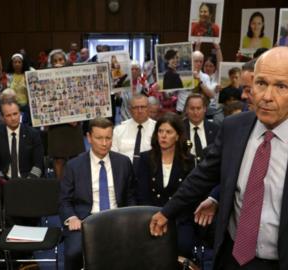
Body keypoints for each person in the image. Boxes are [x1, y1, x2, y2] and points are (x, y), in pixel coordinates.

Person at [150, 47, 288, 269]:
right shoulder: (233, 128)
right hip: (232, 259)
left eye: (281, 86)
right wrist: (167, 212)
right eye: (261, 83)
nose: (266, 96)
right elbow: (203, 176)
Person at [59, 117, 135, 270]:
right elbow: (64, 200)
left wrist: (131, 219)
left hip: (118, 220)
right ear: (89, 138)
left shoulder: (123, 162)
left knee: (134, 251)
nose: (104, 143)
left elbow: (130, 196)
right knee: (73, 253)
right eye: (99, 138)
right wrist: (72, 217)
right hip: (84, 222)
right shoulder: (74, 165)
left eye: (108, 138)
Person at [135, 112, 196, 256]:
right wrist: (156, 217)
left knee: (184, 246)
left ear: (178, 136)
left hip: (179, 219)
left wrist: (168, 216)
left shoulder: (189, 161)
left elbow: (189, 197)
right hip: (151, 217)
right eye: (160, 131)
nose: (163, 136)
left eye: (168, 132)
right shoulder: (145, 159)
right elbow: (142, 195)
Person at [46, 49, 85, 179]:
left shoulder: (74, 77)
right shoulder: (45, 80)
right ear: (51, 64)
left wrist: (76, 117)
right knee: (58, 160)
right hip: (56, 126)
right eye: (55, 61)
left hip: (73, 125)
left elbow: (82, 98)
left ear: (65, 61)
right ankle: (60, 187)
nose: (58, 63)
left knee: (76, 159)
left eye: (61, 60)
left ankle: (77, 187)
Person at [0, 100, 44, 179]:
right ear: (2, 117)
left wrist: (30, 181)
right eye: (8, 115)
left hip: (28, 180)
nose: (13, 118)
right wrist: (2, 182)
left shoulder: (33, 134)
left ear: (20, 113)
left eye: (15, 114)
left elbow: (38, 164)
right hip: (4, 182)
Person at [112, 94, 156, 164]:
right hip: (125, 171)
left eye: (143, 107)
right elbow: (113, 156)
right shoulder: (118, 130)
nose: (140, 111)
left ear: (149, 108)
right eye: (135, 107)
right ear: (130, 110)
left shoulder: (157, 129)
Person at [184, 94, 219, 162]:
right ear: (186, 110)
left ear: (205, 109)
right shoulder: (180, 129)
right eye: (192, 108)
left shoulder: (215, 129)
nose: (195, 112)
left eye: (198, 108)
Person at [4, 53, 32, 124]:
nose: (17, 64)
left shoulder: (28, 73)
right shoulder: (8, 76)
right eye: (15, 62)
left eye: (19, 62)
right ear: (12, 64)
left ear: (23, 63)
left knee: (25, 125)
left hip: (25, 106)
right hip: (12, 105)